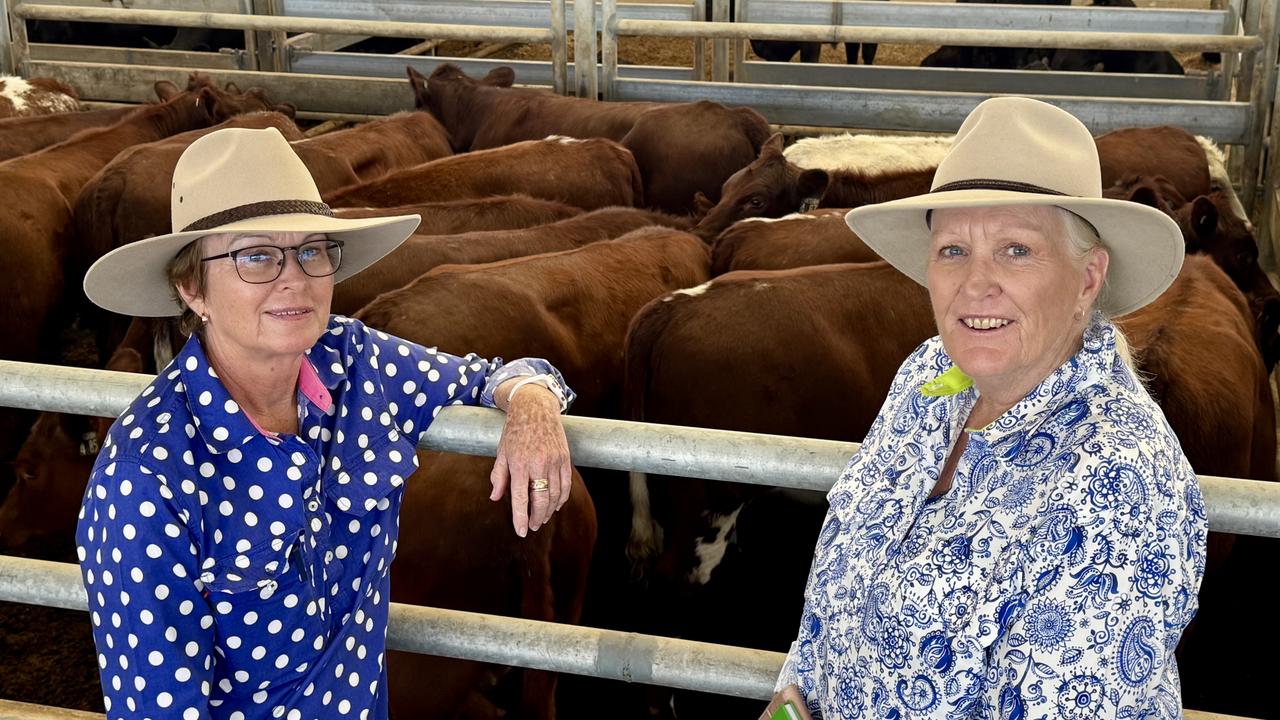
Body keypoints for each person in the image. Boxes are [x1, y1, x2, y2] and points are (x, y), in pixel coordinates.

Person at [75, 127, 577, 719]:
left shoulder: (354, 360)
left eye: (312, 250)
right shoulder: (145, 474)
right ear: (192, 289)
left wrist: (533, 406)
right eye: (255, 255)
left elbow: (492, 374)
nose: (295, 277)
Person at [774, 97, 1206, 719]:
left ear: (1088, 279)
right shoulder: (930, 376)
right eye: (953, 250)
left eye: (1016, 250)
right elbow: (835, 586)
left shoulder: (1122, 483)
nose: (975, 283)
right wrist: (792, 698)